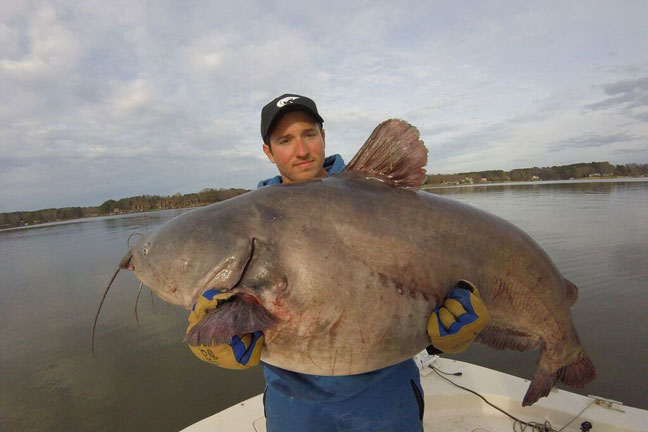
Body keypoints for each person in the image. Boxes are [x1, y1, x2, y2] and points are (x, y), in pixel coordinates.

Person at [186, 94, 490, 432]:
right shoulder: (241, 228)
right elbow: (211, 309)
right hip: (293, 404)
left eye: (309, 134)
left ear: (323, 136)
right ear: (268, 152)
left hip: (385, 395)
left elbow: (419, 281)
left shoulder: (379, 200)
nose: (301, 150)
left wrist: (444, 336)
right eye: (285, 140)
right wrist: (214, 343)